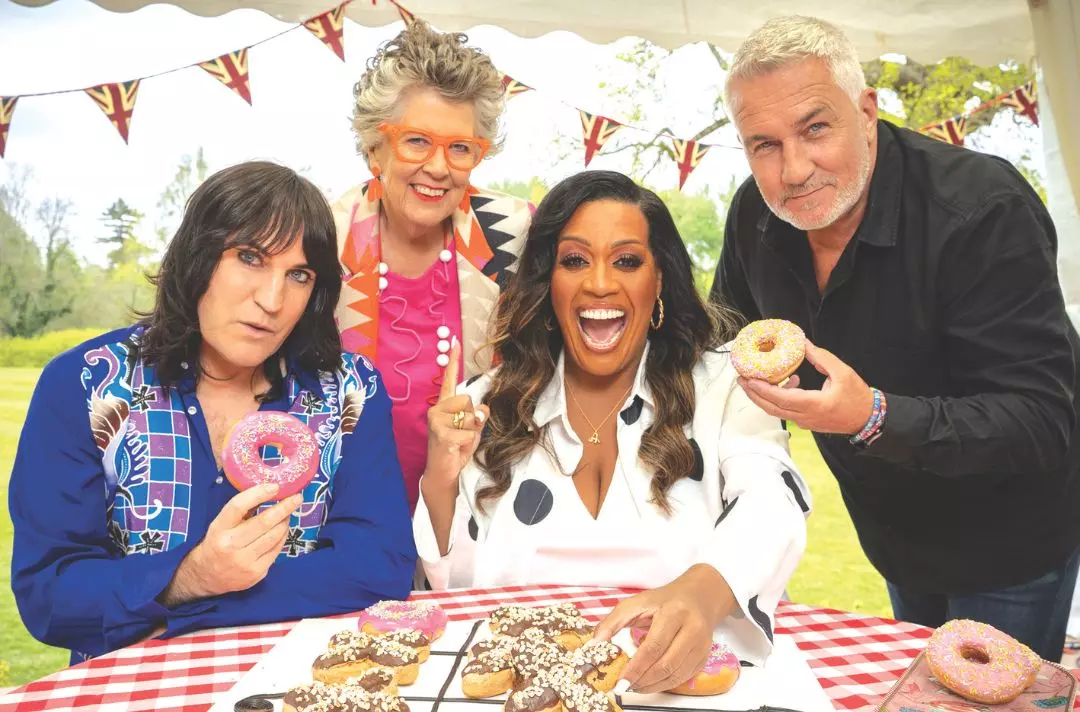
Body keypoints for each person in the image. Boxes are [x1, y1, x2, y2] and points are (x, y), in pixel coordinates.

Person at [709, 15, 1080, 662]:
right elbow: (724, 341)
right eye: (762, 144)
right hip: (894, 537)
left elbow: (1044, 418)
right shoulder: (754, 217)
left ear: (867, 110)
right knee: (918, 687)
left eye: (815, 128)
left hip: (1010, 542)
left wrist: (872, 415)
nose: (793, 170)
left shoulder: (982, 211)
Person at [413, 170, 811, 692]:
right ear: (547, 282)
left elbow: (771, 505)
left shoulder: (726, 387)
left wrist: (699, 593)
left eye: (627, 261)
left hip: (685, 693)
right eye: (575, 260)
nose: (600, 283)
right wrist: (439, 479)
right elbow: (459, 593)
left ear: (660, 279)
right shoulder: (488, 401)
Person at [9, 161, 417, 663]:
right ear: (197, 257)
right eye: (249, 257)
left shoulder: (351, 391)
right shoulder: (86, 383)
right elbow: (49, 594)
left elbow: (380, 566)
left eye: (299, 274)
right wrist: (189, 576)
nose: (272, 299)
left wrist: (183, 605)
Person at [331, 20, 533, 515]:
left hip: (478, 513)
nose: (440, 168)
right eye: (417, 141)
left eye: (460, 148)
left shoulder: (517, 234)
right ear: (374, 147)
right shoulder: (322, 236)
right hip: (337, 517)